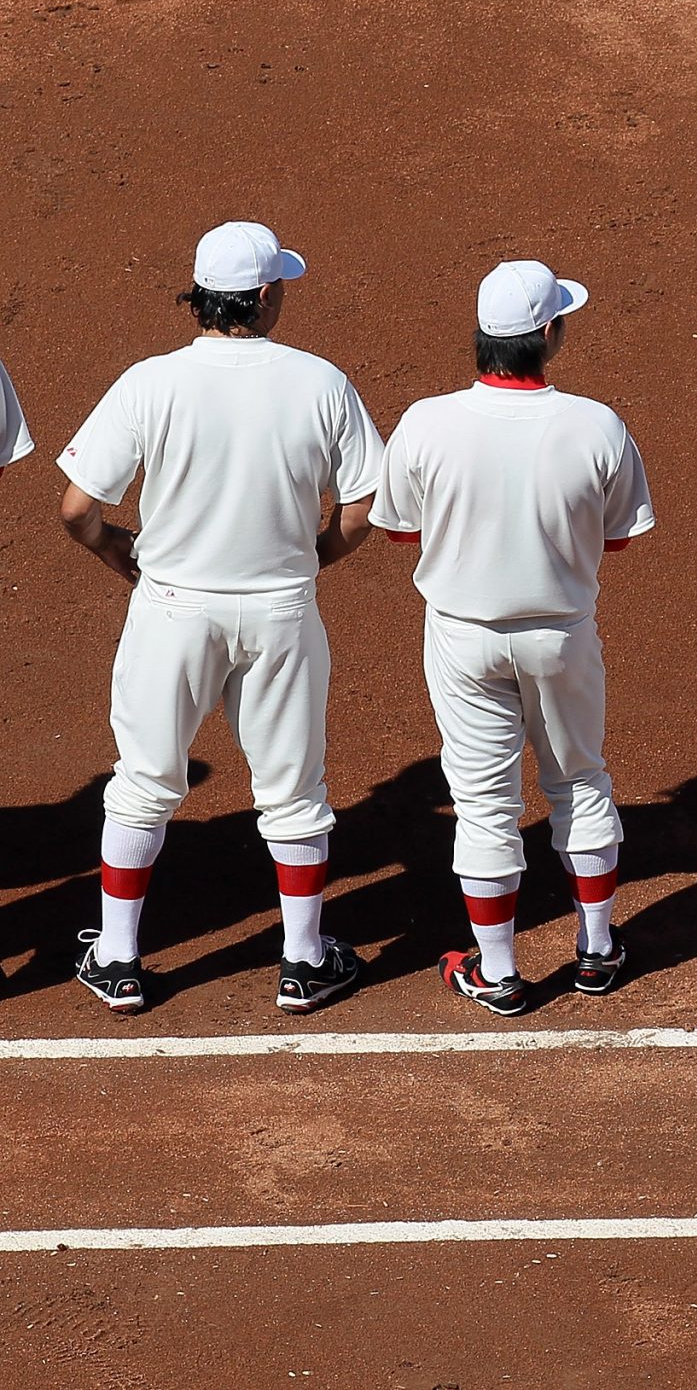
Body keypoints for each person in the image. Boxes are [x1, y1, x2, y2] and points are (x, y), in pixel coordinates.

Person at [58, 221, 384, 1014]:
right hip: (280, 613)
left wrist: (118, 553)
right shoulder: (321, 382)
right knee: (295, 791)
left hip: (172, 609)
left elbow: (77, 509)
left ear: (201, 295)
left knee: (142, 784)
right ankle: (304, 960)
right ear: (267, 294)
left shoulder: (150, 382)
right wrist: (311, 559)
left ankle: (119, 958)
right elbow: (365, 505)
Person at [370, 262, 656, 1019]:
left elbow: (399, 527)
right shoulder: (596, 423)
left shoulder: (426, 421)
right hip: (561, 635)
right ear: (549, 336)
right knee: (580, 781)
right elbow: (621, 537)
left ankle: (498, 972)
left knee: (485, 805)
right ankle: (596, 951)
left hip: (463, 639)